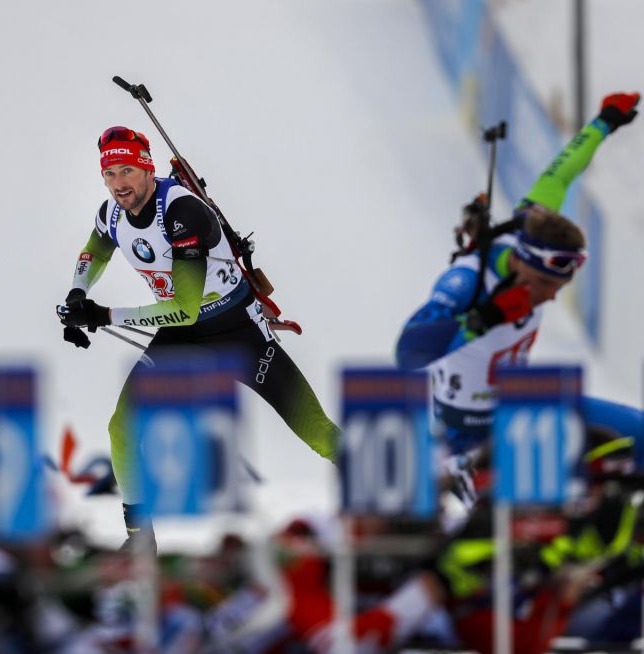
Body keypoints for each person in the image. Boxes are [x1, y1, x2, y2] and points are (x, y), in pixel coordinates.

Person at [57, 126, 340, 551]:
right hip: (180, 335)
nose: (119, 184)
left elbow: (186, 306)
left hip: (236, 331)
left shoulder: (182, 212)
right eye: (110, 173)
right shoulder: (111, 213)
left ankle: (400, 500)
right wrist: (78, 295)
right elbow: (96, 250)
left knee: (315, 431)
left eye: (128, 170)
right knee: (122, 429)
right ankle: (139, 538)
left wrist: (104, 315)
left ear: (148, 168)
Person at [395, 92, 643, 462]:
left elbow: (560, 174)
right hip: (468, 437)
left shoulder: (529, 227)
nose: (551, 297)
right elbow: (409, 353)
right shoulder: (467, 283)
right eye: (545, 284)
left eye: (559, 287)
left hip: (523, 407)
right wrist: (483, 318)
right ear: (523, 262)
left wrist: (602, 122)